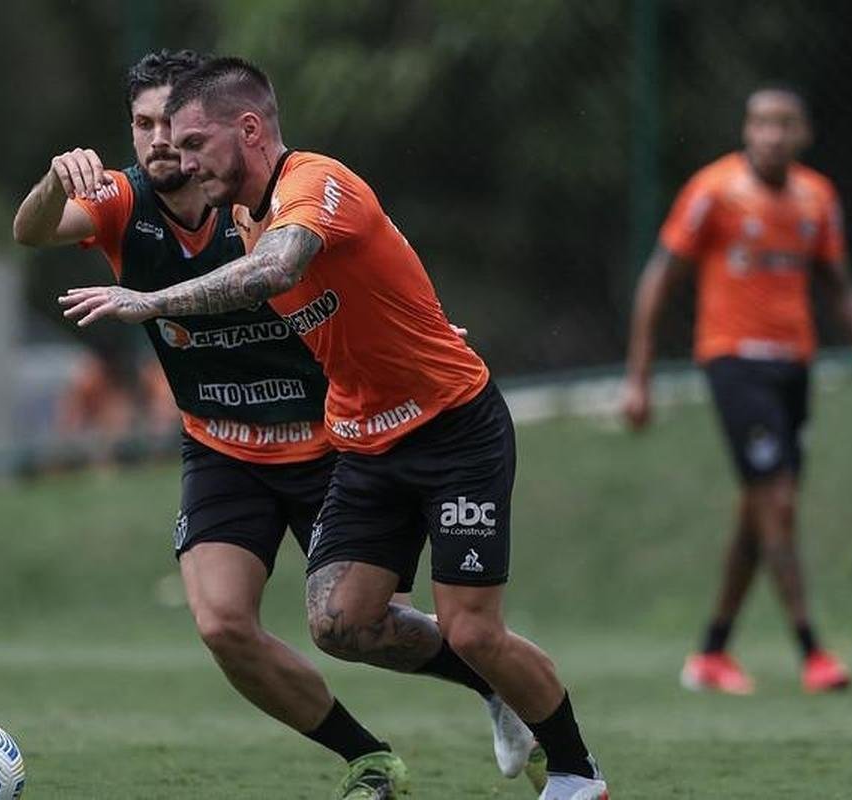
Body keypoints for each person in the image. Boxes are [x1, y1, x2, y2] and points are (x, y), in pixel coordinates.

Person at [60, 56, 606, 800]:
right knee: (339, 623)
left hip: (450, 428)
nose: (179, 161)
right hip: (360, 439)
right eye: (169, 144)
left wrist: (151, 302)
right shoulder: (245, 216)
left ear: (249, 130)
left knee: (474, 631)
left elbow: (278, 272)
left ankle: (576, 772)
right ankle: (443, 714)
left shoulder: (314, 185)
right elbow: (368, 284)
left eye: (194, 144)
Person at [622, 85, 852, 695]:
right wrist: (639, 375)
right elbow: (660, 277)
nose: (771, 134)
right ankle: (812, 649)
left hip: (795, 367)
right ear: (746, 129)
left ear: (803, 134)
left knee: (761, 511)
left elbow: (839, 285)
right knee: (778, 502)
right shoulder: (713, 191)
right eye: (761, 122)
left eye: (784, 123)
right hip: (733, 363)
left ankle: (711, 652)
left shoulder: (818, 197)